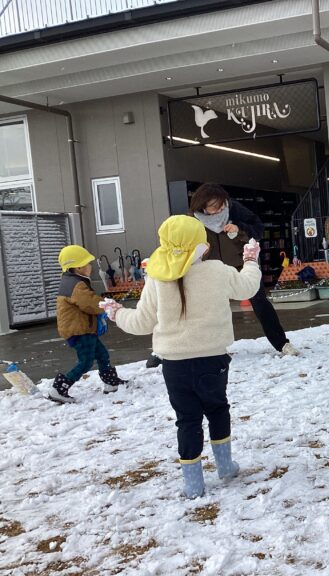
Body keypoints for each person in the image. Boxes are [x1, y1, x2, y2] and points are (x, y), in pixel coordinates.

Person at [102, 215, 262, 498]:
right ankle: (225, 466)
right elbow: (247, 287)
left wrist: (118, 314)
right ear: (202, 245)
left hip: (174, 364)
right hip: (213, 359)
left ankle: (193, 484)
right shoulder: (218, 271)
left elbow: (140, 322)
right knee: (217, 409)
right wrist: (250, 261)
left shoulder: (157, 278)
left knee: (186, 420)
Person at [190, 183, 299, 356]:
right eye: (213, 207)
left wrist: (240, 228)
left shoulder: (234, 209)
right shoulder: (192, 220)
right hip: (211, 269)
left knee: (260, 303)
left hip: (242, 267)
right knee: (209, 310)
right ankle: (206, 350)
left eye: (221, 206)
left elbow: (258, 229)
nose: (218, 211)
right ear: (202, 206)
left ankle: (282, 344)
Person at [49, 245, 127, 403]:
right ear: (78, 267)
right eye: (88, 263)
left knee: (102, 354)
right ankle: (59, 388)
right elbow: (88, 302)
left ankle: (111, 383)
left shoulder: (73, 280)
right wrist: (107, 305)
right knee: (85, 361)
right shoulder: (76, 285)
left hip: (82, 329)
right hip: (78, 331)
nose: (90, 266)